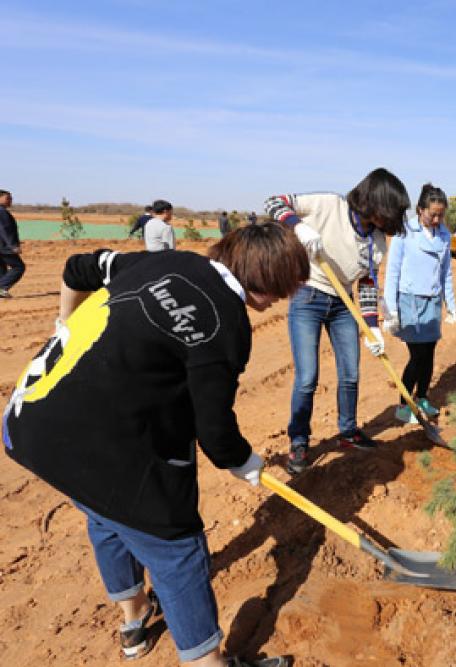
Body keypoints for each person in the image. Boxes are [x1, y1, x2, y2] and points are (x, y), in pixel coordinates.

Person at [2, 223, 308, 666]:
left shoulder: (165, 260)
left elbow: (77, 269)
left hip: (33, 423)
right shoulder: (226, 323)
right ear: (263, 277)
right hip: (100, 441)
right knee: (177, 547)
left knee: (104, 515)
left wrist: (65, 326)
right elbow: (214, 429)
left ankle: (134, 618)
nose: (281, 300)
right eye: (282, 289)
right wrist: (244, 461)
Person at [263, 167, 409, 474]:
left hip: (344, 305)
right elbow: (274, 202)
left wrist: (372, 327)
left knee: (350, 374)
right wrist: (298, 226)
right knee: (307, 377)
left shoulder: (378, 240)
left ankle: (348, 432)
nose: (391, 221)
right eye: (390, 212)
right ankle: (299, 442)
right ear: (373, 203)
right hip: (308, 296)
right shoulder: (330, 205)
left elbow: (367, 282)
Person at [383, 183, 456, 424]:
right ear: (420, 210)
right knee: (417, 355)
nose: (437, 219)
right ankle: (404, 405)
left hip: (432, 302)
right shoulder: (404, 232)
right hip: (410, 302)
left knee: (429, 354)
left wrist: (451, 304)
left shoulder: (444, 236)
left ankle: (423, 397)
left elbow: (446, 273)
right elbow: (392, 271)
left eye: (441, 215)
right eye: (433, 214)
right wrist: (390, 310)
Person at [0, 189, 24, 298]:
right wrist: (13, 245)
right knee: (19, 267)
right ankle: (2, 287)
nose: (10, 201)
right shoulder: (2, 212)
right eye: (7, 198)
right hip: (4, 247)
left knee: (2, 269)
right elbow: (5, 230)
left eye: (11, 198)